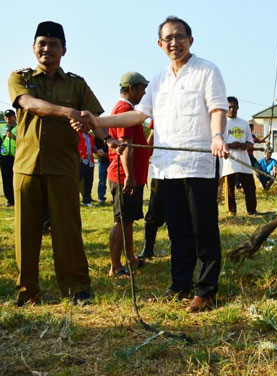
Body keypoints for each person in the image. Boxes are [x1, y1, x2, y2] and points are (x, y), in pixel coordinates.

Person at [82, 16, 228, 313]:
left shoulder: (207, 71)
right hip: (166, 167)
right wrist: (98, 121)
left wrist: (216, 136)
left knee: (204, 230)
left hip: (199, 164)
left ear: (191, 39)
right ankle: (180, 286)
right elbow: (138, 116)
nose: (174, 43)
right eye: (168, 39)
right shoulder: (159, 80)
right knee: (178, 232)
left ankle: (206, 290)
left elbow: (217, 108)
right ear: (160, 45)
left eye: (180, 36)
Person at [8, 21, 121, 307]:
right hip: (26, 167)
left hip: (63, 167)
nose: (47, 49)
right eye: (42, 43)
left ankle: (77, 289)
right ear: (34, 48)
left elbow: (92, 120)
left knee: (67, 229)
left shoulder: (76, 83)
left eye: (54, 44)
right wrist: (68, 111)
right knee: (26, 231)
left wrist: (108, 140)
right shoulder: (18, 77)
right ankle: (27, 291)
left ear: (64, 50)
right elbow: (30, 105)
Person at [107, 72, 150, 278]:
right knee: (121, 220)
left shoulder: (127, 109)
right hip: (124, 176)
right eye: (142, 89)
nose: (144, 93)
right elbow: (126, 147)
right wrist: (130, 177)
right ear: (132, 88)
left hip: (130, 175)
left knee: (128, 219)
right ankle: (115, 266)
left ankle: (130, 258)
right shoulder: (124, 109)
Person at [136, 120, 166, 262]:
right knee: (154, 210)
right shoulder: (159, 109)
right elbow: (152, 137)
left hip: (185, 170)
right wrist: (143, 158)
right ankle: (148, 249)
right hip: (161, 170)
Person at [220, 96, 256, 216]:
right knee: (230, 188)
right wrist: (230, 145)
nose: (231, 110)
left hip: (244, 158)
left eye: (234, 107)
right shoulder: (222, 123)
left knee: (250, 186)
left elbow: (251, 142)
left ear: (238, 108)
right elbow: (218, 142)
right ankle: (232, 211)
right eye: (229, 107)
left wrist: (245, 145)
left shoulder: (244, 123)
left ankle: (251, 210)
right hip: (229, 160)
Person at [0, 109, 17, 206]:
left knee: (15, 178)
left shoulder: (20, 127)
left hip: (16, 156)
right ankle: (9, 199)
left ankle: (17, 198)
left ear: (14, 117)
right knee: (6, 178)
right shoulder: (2, 128)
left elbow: (25, 140)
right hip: (5, 157)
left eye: (10, 116)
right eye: (6, 116)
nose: (8, 118)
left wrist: (13, 136)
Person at [77, 128, 96, 206]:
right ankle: (73, 199)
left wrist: (97, 151)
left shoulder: (90, 136)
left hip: (90, 162)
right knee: (77, 181)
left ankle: (87, 200)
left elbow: (93, 147)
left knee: (89, 181)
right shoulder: (77, 135)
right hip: (81, 161)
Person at [94, 136, 109, 204]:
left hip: (113, 160)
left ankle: (117, 196)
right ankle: (101, 198)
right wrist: (100, 153)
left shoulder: (112, 134)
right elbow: (96, 150)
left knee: (117, 180)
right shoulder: (97, 137)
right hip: (103, 161)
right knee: (102, 181)